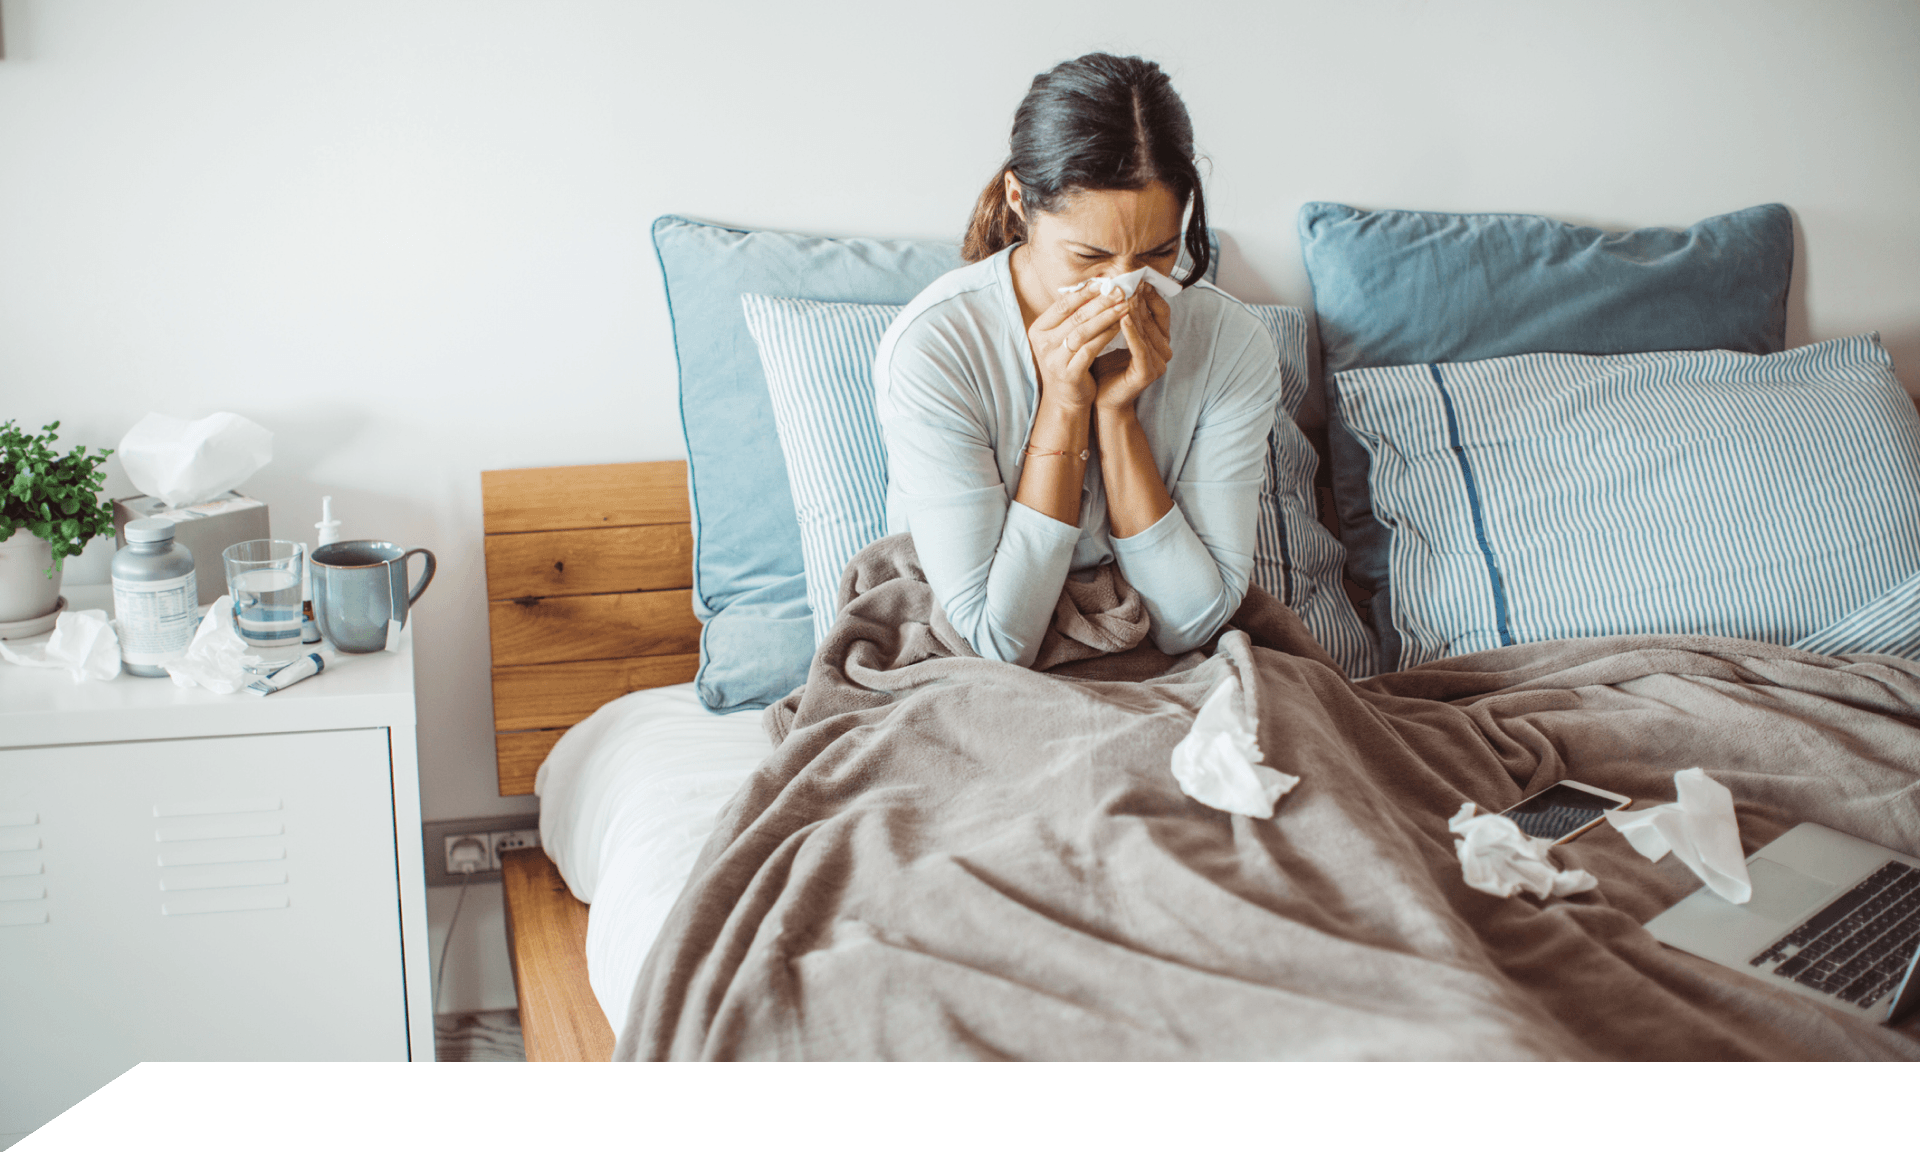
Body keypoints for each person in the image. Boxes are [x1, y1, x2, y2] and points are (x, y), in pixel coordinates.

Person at [874, 52, 1282, 668]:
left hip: (1165, 662)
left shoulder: (1232, 343)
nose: (1125, 286)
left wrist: (1118, 417)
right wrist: (1064, 405)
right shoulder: (938, 347)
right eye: (1090, 256)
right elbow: (997, 640)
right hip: (974, 668)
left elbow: (1193, 622)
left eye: (1159, 252)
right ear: (1018, 198)